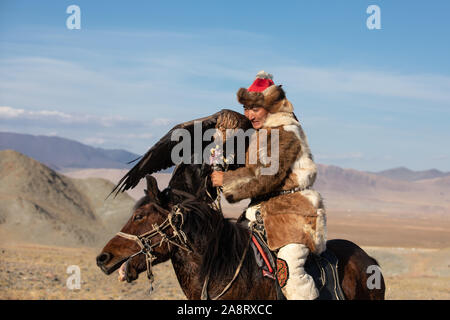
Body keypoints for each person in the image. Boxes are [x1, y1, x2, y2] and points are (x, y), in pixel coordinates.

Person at [210, 71, 326, 300]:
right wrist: (222, 150)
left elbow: (267, 177)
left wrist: (228, 181)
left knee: (290, 275)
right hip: (260, 215)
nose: (249, 115)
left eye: (256, 108)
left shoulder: (285, 131)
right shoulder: (258, 137)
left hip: (293, 215)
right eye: (247, 109)